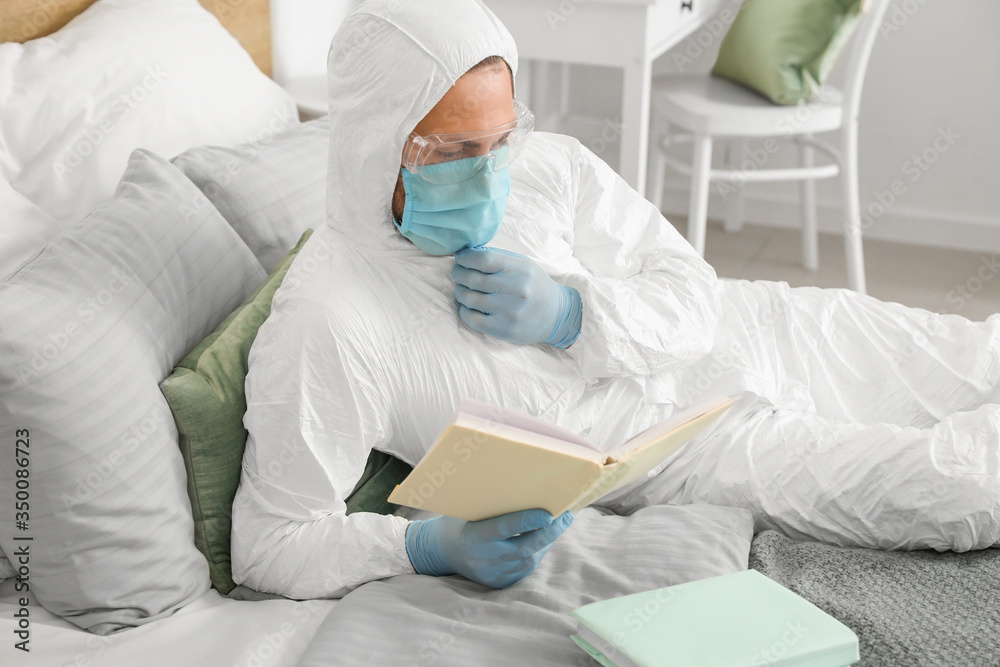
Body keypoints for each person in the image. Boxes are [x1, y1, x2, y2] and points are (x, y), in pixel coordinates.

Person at [230, 0, 1000, 599]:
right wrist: (427, 547)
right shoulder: (331, 320)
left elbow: (693, 293)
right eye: (458, 152)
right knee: (962, 488)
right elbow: (271, 542)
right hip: (695, 448)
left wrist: (575, 314)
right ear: (377, 142)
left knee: (979, 353)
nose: (493, 171)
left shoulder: (545, 168)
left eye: (501, 140)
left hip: (762, 327)